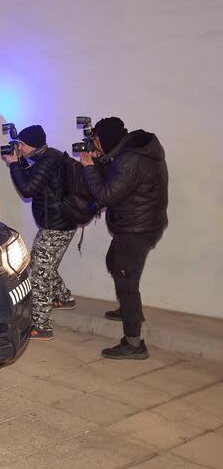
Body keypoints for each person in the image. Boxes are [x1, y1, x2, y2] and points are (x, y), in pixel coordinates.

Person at [80, 117, 168, 360]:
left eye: (96, 140)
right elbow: (120, 182)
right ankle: (129, 310)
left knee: (126, 279)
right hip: (141, 224)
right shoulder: (132, 152)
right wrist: (100, 162)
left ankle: (134, 343)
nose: (94, 145)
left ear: (106, 138)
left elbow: (107, 194)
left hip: (136, 228)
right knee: (114, 262)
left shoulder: (130, 159)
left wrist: (88, 166)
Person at [2, 125, 77, 341]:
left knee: (39, 273)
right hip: (57, 222)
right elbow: (34, 178)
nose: (20, 148)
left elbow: (27, 189)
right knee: (42, 263)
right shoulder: (48, 156)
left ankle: (42, 326)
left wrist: (14, 164)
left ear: (29, 145)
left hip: (56, 225)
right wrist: (20, 163)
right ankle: (62, 297)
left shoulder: (48, 161)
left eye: (22, 145)